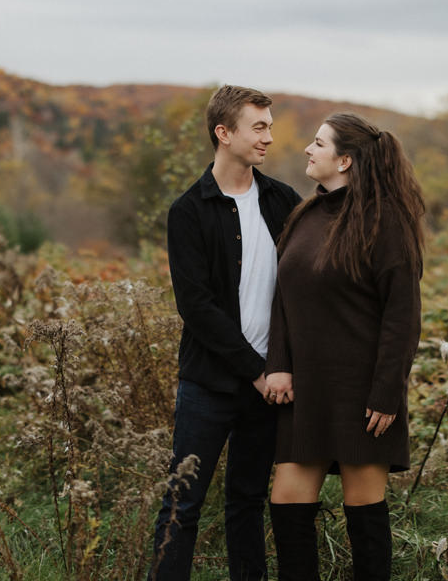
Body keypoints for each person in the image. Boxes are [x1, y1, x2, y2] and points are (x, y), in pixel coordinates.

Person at [150, 85, 302, 581]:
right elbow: (196, 308)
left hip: (269, 387)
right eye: (258, 127)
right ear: (224, 133)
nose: (268, 138)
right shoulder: (188, 211)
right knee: (182, 503)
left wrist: (279, 368)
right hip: (208, 385)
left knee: (247, 502)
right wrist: (257, 370)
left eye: (269, 127)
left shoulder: (283, 201)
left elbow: (305, 286)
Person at [264, 112, 425, 581]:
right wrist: (279, 365)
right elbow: (282, 299)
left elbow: (402, 316)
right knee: (287, 502)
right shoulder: (305, 215)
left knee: (364, 511)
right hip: (305, 389)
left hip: (363, 392)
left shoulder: (386, 222)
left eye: (319, 143)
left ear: (345, 160)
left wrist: (387, 392)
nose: (308, 149)